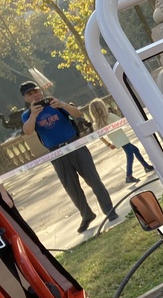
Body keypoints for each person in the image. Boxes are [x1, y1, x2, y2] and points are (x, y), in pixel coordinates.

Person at [19, 81, 117, 233]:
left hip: (75, 145)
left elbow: (78, 114)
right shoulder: (27, 115)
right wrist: (33, 115)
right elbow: (28, 131)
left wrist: (62, 105)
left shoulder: (56, 104)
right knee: (72, 188)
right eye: (30, 94)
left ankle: (109, 210)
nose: (35, 96)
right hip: (56, 153)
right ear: (25, 98)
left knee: (94, 179)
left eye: (36, 91)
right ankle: (87, 215)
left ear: (41, 91)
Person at [87, 98, 153, 184]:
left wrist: (108, 144)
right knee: (130, 156)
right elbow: (121, 121)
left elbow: (100, 136)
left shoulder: (97, 123)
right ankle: (129, 176)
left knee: (135, 150)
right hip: (123, 139)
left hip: (117, 141)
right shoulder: (110, 116)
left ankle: (146, 166)